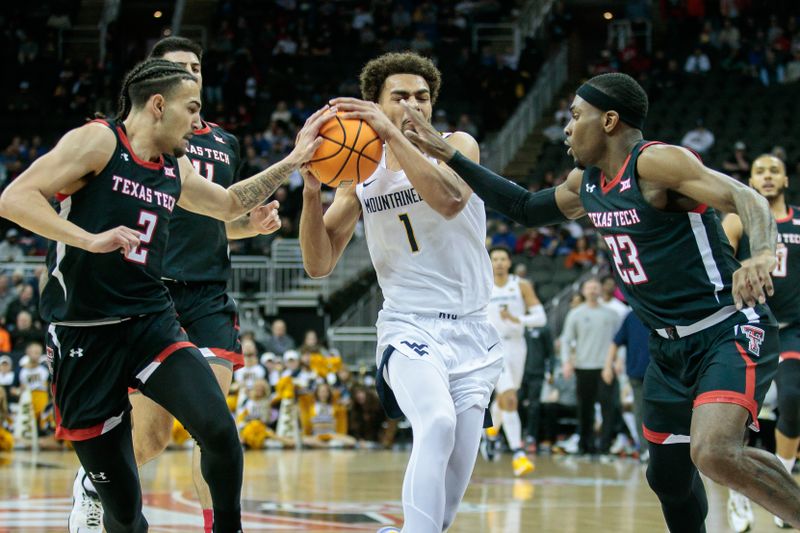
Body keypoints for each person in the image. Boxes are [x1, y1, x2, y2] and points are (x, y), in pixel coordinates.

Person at [400, 71, 800, 530]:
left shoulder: (655, 163)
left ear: (609, 120)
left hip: (725, 329)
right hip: (666, 350)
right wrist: (447, 154)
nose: (567, 128)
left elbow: (744, 196)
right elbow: (526, 209)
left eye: (575, 116)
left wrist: (764, 252)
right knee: (668, 480)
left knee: (712, 452)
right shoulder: (586, 185)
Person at [0, 57, 330, 533]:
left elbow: (231, 204)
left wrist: (294, 160)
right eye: (191, 108)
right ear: (158, 105)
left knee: (218, 430)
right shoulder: (98, 140)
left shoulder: (174, 165)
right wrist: (88, 239)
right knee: (127, 516)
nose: (198, 122)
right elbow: (15, 198)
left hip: (150, 320)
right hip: (84, 332)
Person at [65, 37, 285, 533]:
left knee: (214, 427)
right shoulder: (140, 142)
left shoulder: (224, 142)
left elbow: (215, 217)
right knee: (152, 438)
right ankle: (93, 484)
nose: (190, 72)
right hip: (153, 293)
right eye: (178, 67)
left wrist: (252, 227)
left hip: (207, 293)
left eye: (196, 66)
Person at [299, 52, 503, 533]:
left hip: (473, 332)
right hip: (408, 324)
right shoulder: (361, 173)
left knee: (444, 510)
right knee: (435, 423)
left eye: (422, 97)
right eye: (400, 97)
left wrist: (393, 134)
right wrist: (310, 191)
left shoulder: (457, 145)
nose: (414, 105)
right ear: (375, 104)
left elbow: (450, 200)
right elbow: (318, 262)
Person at [722, 154, 800, 531]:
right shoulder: (738, 220)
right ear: (750, 180)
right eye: (760, 171)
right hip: (751, 323)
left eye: (773, 171)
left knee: (793, 400)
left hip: (793, 328)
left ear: (785, 179)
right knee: (740, 418)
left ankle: (778, 490)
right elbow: (719, 266)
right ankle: (739, 493)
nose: (767, 177)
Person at [483, 245, 544, 475]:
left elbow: (541, 318)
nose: (498, 262)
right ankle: (518, 453)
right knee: (509, 398)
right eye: (494, 259)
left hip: (517, 345)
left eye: (502, 258)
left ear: (509, 262)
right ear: (489, 263)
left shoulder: (521, 285)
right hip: (492, 346)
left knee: (507, 397)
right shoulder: (482, 284)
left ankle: (490, 433)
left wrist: (516, 318)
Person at [560, 278, 620, 454]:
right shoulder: (576, 314)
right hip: (583, 367)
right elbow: (566, 340)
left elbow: (619, 341)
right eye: (589, 287)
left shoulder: (611, 314)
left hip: (605, 368)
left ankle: (605, 446)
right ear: (583, 291)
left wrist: (617, 362)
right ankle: (585, 445)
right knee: (584, 409)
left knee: (609, 409)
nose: (593, 290)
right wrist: (566, 362)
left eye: (596, 287)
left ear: (601, 290)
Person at [603, 308, 651, 459]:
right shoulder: (631, 316)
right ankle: (645, 450)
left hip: (662, 373)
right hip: (637, 373)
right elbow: (615, 342)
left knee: (662, 411)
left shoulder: (660, 311)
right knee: (640, 412)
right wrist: (607, 365)